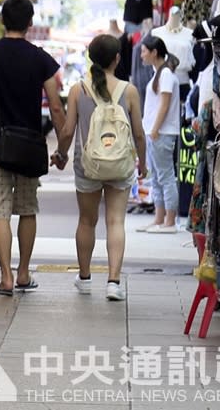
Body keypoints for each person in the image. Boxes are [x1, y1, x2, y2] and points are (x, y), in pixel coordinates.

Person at [0, 0, 65, 296]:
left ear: (3, 22)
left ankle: (5, 277)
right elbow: (57, 107)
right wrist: (62, 147)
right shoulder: (41, 58)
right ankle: (23, 273)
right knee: (27, 209)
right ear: (30, 23)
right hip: (30, 150)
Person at [53, 35, 147, 301]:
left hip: (88, 165)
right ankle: (113, 282)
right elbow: (138, 134)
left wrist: (60, 154)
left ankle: (84, 278)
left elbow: (68, 130)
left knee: (86, 221)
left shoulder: (78, 90)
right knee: (116, 221)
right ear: (117, 59)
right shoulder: (129, 91)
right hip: (120, 165)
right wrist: (143, 164)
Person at [137, 36, 180, 234]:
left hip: (161, 132)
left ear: (154, 52)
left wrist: (154, 129)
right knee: (156, 178)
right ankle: (159, 219)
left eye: (144, 51)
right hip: (154, 132)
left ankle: (169, 221)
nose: (141, 55)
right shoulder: (159, 74)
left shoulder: (166, 76)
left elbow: (164, 104)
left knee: (165, 176)